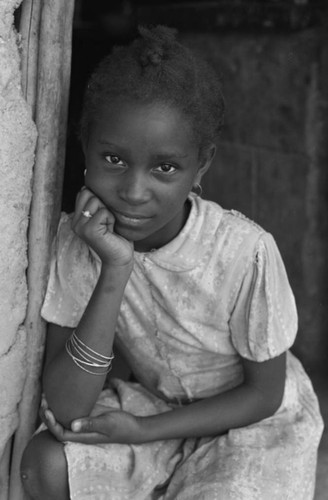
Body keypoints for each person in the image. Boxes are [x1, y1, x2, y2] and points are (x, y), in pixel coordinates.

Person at [21, 25, 323, 500]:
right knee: (46, 463)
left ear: (201, 166)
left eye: (165, 167)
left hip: (249, 423)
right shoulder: (79, 241)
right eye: (114, 159)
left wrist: (145, 429)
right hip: (153, 405)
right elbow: (65, 405)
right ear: (85, 148)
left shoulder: (244, 252)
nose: (134, 192)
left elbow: (264, 395)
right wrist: (115, 268)